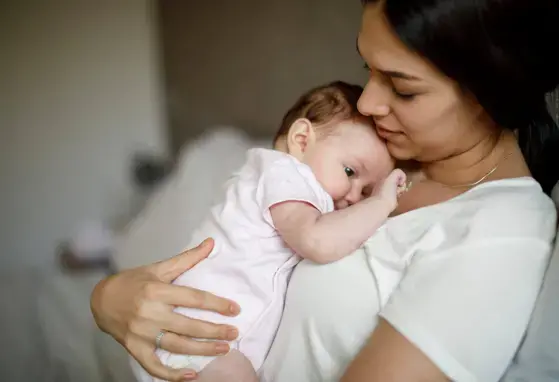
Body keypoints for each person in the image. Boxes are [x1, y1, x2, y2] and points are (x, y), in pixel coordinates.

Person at [90, 0, 559, 381]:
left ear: (488, 92)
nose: (370, 102)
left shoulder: (501, 228)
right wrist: (109, 298)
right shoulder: (380, 152)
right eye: (368, 69)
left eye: (403, 89)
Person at [133, 81, 405, 382]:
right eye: (351, 172)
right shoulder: (282, 173)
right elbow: (316, 240)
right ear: (301, 140)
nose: (355, 197)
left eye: (367, 190)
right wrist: (380, 203)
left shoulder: (298, 186)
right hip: (195, 338)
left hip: (213, 345)